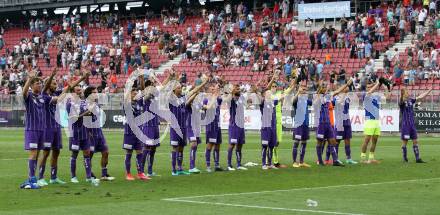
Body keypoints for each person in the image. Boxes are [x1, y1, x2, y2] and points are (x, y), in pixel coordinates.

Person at [36, 68, 84, 186]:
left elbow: (69, 88)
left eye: (56, 83)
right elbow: (60, 98)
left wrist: (82, 78)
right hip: (47, 128)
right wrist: (52, 76)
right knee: (46, 153)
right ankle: (40, 177)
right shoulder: (44, 96)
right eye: (53, 83)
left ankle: (53, 177)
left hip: (56, 127)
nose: (56, 85)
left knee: (56, 152)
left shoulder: (55, 93)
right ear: (48, 85)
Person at [167, 73, 207, 176]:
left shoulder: (183, 98)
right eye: (179, 87)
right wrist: (173, 78)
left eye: (181, 87)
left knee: (181, 148)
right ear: (174, 90)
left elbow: (193, 91)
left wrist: (203, 83)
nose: (181, 89)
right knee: (175, 148)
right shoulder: (171, 99)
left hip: (183, 128)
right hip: (175, 128)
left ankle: (180, 168)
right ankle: (173, 170)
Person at [314, 79, 352, 166]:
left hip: (328, 124)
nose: (325, 88)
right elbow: (315, 103)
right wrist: (320, 91)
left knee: (333, 141)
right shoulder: (317, 97)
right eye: (323, 87)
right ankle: (320, 160)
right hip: (321, 124)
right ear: (320, 89)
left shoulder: (328, 97)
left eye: (325, 87)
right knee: (320, 142)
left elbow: (337, 91)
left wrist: (346, 84)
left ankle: (335, 160)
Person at [66, 85, 100, 186]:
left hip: (84, 131)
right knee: (74, 154)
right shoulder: (70, 103)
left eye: (80, 90)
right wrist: (87, 112)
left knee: (87, 153)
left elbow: (88, 115)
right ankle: (73, 176)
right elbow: (74, 117)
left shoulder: (84, 102)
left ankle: (89, 177)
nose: (79, 92)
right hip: (74, 132)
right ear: (73, 92)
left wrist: (89, 112)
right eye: (77, 90)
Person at [19, 71, 46, 189]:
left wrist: (39, 77)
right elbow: (23, 93)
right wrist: (29, 79)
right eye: (37, 84)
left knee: (37, 153)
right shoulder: (29, 96)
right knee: (33, 153)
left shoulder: (41, 97)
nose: (39, 85)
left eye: (40, 83)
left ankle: (31, 179)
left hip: (41, 129)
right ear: (32, 86)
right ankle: (31, 179)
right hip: (32, 129)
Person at [84, 86, 115, 181]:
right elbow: (84, 118)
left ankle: (104, 174)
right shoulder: (85, 104)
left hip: (99, 131)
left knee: (106, 152)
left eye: (96, 92)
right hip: (91, 132)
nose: (96, 94)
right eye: (94, 92)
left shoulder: (96, 104)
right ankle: (89, 174)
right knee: (89, 154)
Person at [122, 86, 149, 181]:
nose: (135, 94)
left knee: (139, 152)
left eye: (136, 93)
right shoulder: (127, 104)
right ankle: (128, 174)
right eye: (133, 93)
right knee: (129, 152)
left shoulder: (139, 103)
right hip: (129, 131)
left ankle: (140, 173)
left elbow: (145, 92)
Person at [399, 88, 432, 163]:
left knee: (415, 141)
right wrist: (402, 95)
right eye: (407, 92)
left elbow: (420, 97)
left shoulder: (411, 100)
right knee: (405, 142)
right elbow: (401, 101)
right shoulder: (402, 102)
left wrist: (428, 91)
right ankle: (405, 158)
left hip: (412, 125)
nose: (408, 93)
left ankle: (418, 158)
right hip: (405, 125)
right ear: (403, 93)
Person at [225, 84, 249, 171]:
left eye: (239, 89)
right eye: (237, 89)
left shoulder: (241, 98)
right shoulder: (231, 99)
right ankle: (229, 165)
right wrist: (232, 92)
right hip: (234, 125)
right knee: (232, 145)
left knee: (240, 145)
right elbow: (226, 100)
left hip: (241, 125)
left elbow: (247, 104)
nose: (238, 90)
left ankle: (239, 164)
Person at [361, 80, 386, 164]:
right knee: (367, 140)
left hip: (376, 120)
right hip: (369, 120)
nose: (370, 88)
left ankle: (371, 158)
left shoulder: (376, 97)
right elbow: (370, 92)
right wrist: (378, 83)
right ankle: (363, 158)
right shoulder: (365, 95)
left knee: (375, 140)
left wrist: (387, 87)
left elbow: (386, 97)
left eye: (370, 87)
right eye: (368, 87)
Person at [333, 84, 358, 164]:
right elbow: (339, 104)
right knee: (337, 141)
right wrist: (343, 94)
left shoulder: (347, 98)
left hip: (346, 122)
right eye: (345, 86)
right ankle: (335, 158)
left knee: (347, 140)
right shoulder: (336, 98)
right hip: (340, 122)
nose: (347, 87)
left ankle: (349, 158)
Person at [204, 84, 224, 172]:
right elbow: (207, 108)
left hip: (217, 124)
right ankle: (208, 165)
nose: (213, 91)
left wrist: (217, 89)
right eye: (211, 89)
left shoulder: (217, 99)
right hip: (211, 124)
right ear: (208, 91)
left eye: (214, 89)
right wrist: (214, 95)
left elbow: (221, 97)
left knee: (218, 145)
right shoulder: (206, 100)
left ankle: (217, 164)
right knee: (210, 145)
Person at [291, 83, 312, 168]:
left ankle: (301, 161)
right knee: (296, 142)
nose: (304, 91)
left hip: (306, 124)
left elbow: (314, 102)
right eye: (303, 89)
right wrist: (298, 93)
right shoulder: (297, 99)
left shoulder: (306, 100)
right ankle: (294, 162)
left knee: (304, 142)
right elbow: (292, 101)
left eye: (305, 90)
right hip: (298, 124)